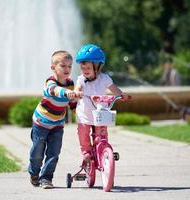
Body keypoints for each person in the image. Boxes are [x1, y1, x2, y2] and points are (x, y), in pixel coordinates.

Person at [28, 50, 78, 189]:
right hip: (41, 122)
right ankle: (34, 172)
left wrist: (77, 112)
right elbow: (54, 90)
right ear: (53, 67)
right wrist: (67, 92)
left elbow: (72, 102)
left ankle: (46, 179)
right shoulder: (50, 82)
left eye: (69, 66)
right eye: (63, 66)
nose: (67, 69)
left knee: (54, 153)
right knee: (38, 151)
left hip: (57, 124)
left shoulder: (70, 83)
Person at [74, 44, 130, 161]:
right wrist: (77, 92)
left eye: (88, 68)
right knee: (83, 135)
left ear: (98, 67)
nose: (85, 71)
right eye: (83, 68)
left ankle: (103, 151)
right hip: (84, 115)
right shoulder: (81, 79)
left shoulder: (104, 79)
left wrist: (121, 95)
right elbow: (77, 88)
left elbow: (114, 89)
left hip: (100, 114)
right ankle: (86, 153)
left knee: (101, 136)